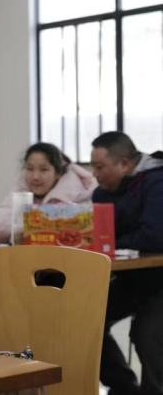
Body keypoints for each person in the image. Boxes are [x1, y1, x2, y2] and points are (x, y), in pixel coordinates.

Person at [90, 131, 163, 395]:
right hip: (131, 278)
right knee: (85, 318)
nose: (95, 174)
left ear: (124, 164)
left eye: (100, 167)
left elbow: (155, 237)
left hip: (160, 280)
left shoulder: (156, 183)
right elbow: (99, 237)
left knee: (147, 334)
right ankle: (124, 388)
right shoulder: (101, 194)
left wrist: (112, 243)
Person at [0, 142, 97, 244]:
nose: (35, 177)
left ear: (58, 173)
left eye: (43, 170)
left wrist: (26, 224)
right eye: (30, 169)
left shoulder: (77, 192)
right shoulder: (22, 190)